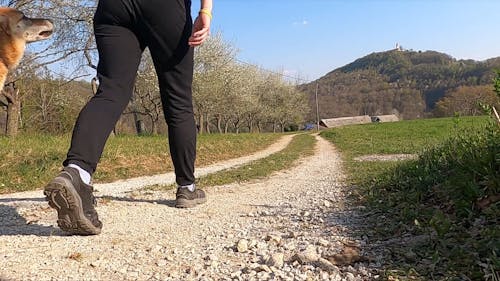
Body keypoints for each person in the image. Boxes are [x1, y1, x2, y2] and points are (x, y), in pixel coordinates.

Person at [43, 0, 213, 235]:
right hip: (166, 8)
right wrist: (206, 11)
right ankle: (187, 187)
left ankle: (77, 172)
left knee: (110, 91)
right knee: (178, 101)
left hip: (114, 6)